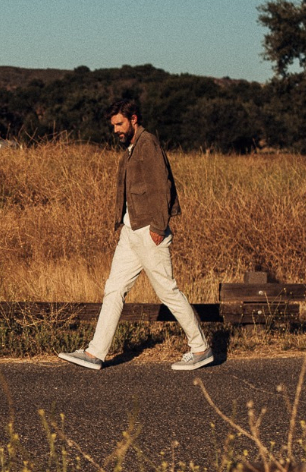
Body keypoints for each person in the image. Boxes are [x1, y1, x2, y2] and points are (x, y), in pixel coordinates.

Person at [58, 98, 213, 371]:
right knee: (114, 289)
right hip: (131, 231)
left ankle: (200, 347)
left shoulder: (147, 144)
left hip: (148, 230)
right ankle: (95, 353)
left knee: (167, 291)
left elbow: (162, 186)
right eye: (113, 125)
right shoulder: (131, 148)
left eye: (120, 123)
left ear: (134, 119)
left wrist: (158, 226)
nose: (116, 129)